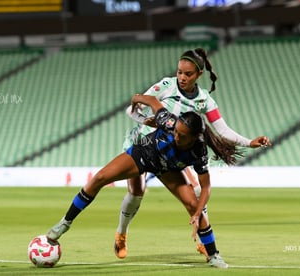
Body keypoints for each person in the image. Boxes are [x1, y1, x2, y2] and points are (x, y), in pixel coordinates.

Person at [47, 94, 243, 268]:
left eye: (182, 136)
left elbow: (206, 187)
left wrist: (197, 213)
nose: (176, 136)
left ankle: (213, 255)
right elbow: (151, 100)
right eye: (175, 131)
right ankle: (65, 223)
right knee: (100, 177)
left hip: (168, 170)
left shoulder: (199, 151)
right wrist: (136, 99)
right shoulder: (168, 121)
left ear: (194, 138)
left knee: (194, 205)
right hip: (143, 155)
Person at [115, 48, 271, 260]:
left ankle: (204, 241)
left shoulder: (205, 100)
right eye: (179, 72)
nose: (182, 77)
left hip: (172, 151)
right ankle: (122, 233)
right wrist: (145, 120)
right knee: (136, 193)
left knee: (197, 191)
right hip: (143, 144)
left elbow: (222, 130)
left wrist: (250, 142)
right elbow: (131, 109)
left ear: (198, 74)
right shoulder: (167, 86)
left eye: (187, 74)